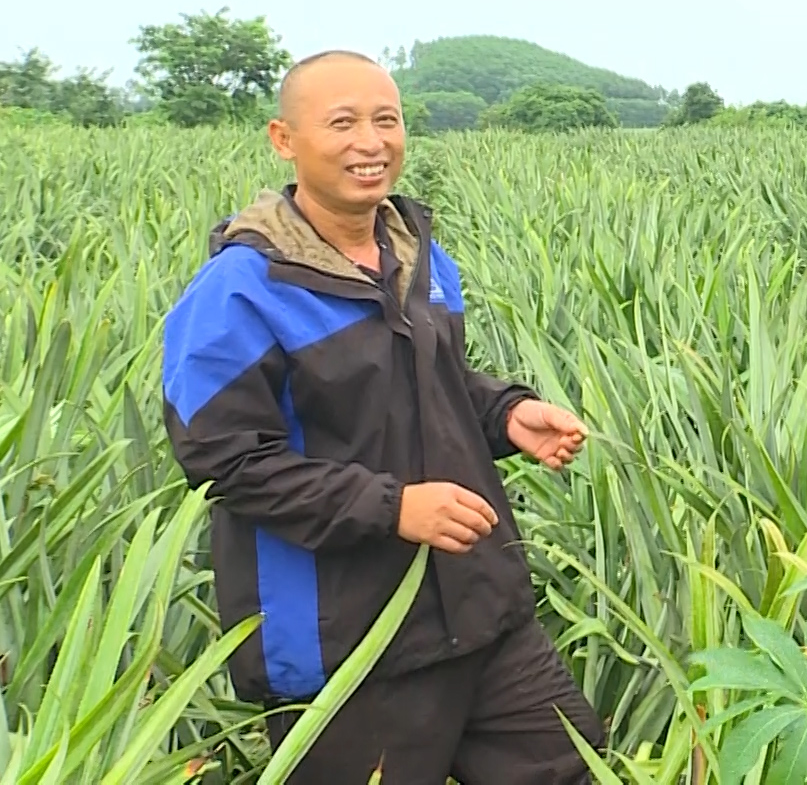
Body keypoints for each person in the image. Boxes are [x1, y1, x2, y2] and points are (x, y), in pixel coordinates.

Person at [161, 50, 607, 783]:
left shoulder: (418, 256)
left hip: (481, 612)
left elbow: (437, 387)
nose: (370, 143)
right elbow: (224, 461)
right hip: (348, 650)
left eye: (386, 120)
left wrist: (508, 414)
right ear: (284, 138)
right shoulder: (240, 290)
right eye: (342, 123)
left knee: (576, 771)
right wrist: (394, 506)